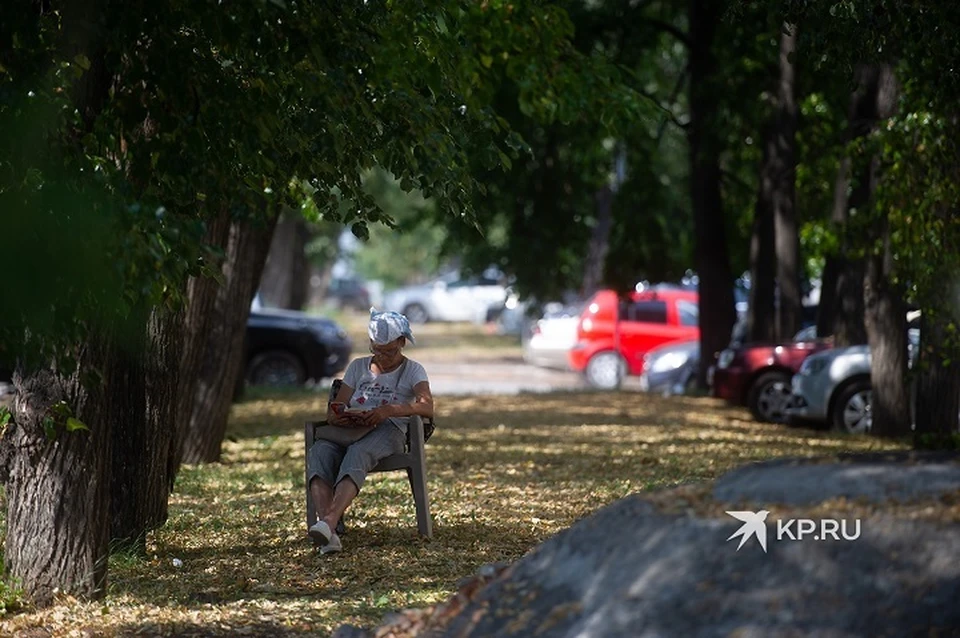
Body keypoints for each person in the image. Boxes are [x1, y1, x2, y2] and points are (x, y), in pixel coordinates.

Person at [306, 309, 434, 554]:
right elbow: (339, 405)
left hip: (389, 429)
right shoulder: (358, 367)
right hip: (351, 429)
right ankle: (329, 533)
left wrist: (390, 410)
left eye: (390, 351)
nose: (383, 357)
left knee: (359, 452)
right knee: (320, 452)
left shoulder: (413, 370)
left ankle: (328, 524)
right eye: (377, 350)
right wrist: (340, 415)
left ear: (402, 343)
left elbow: (427, 406)